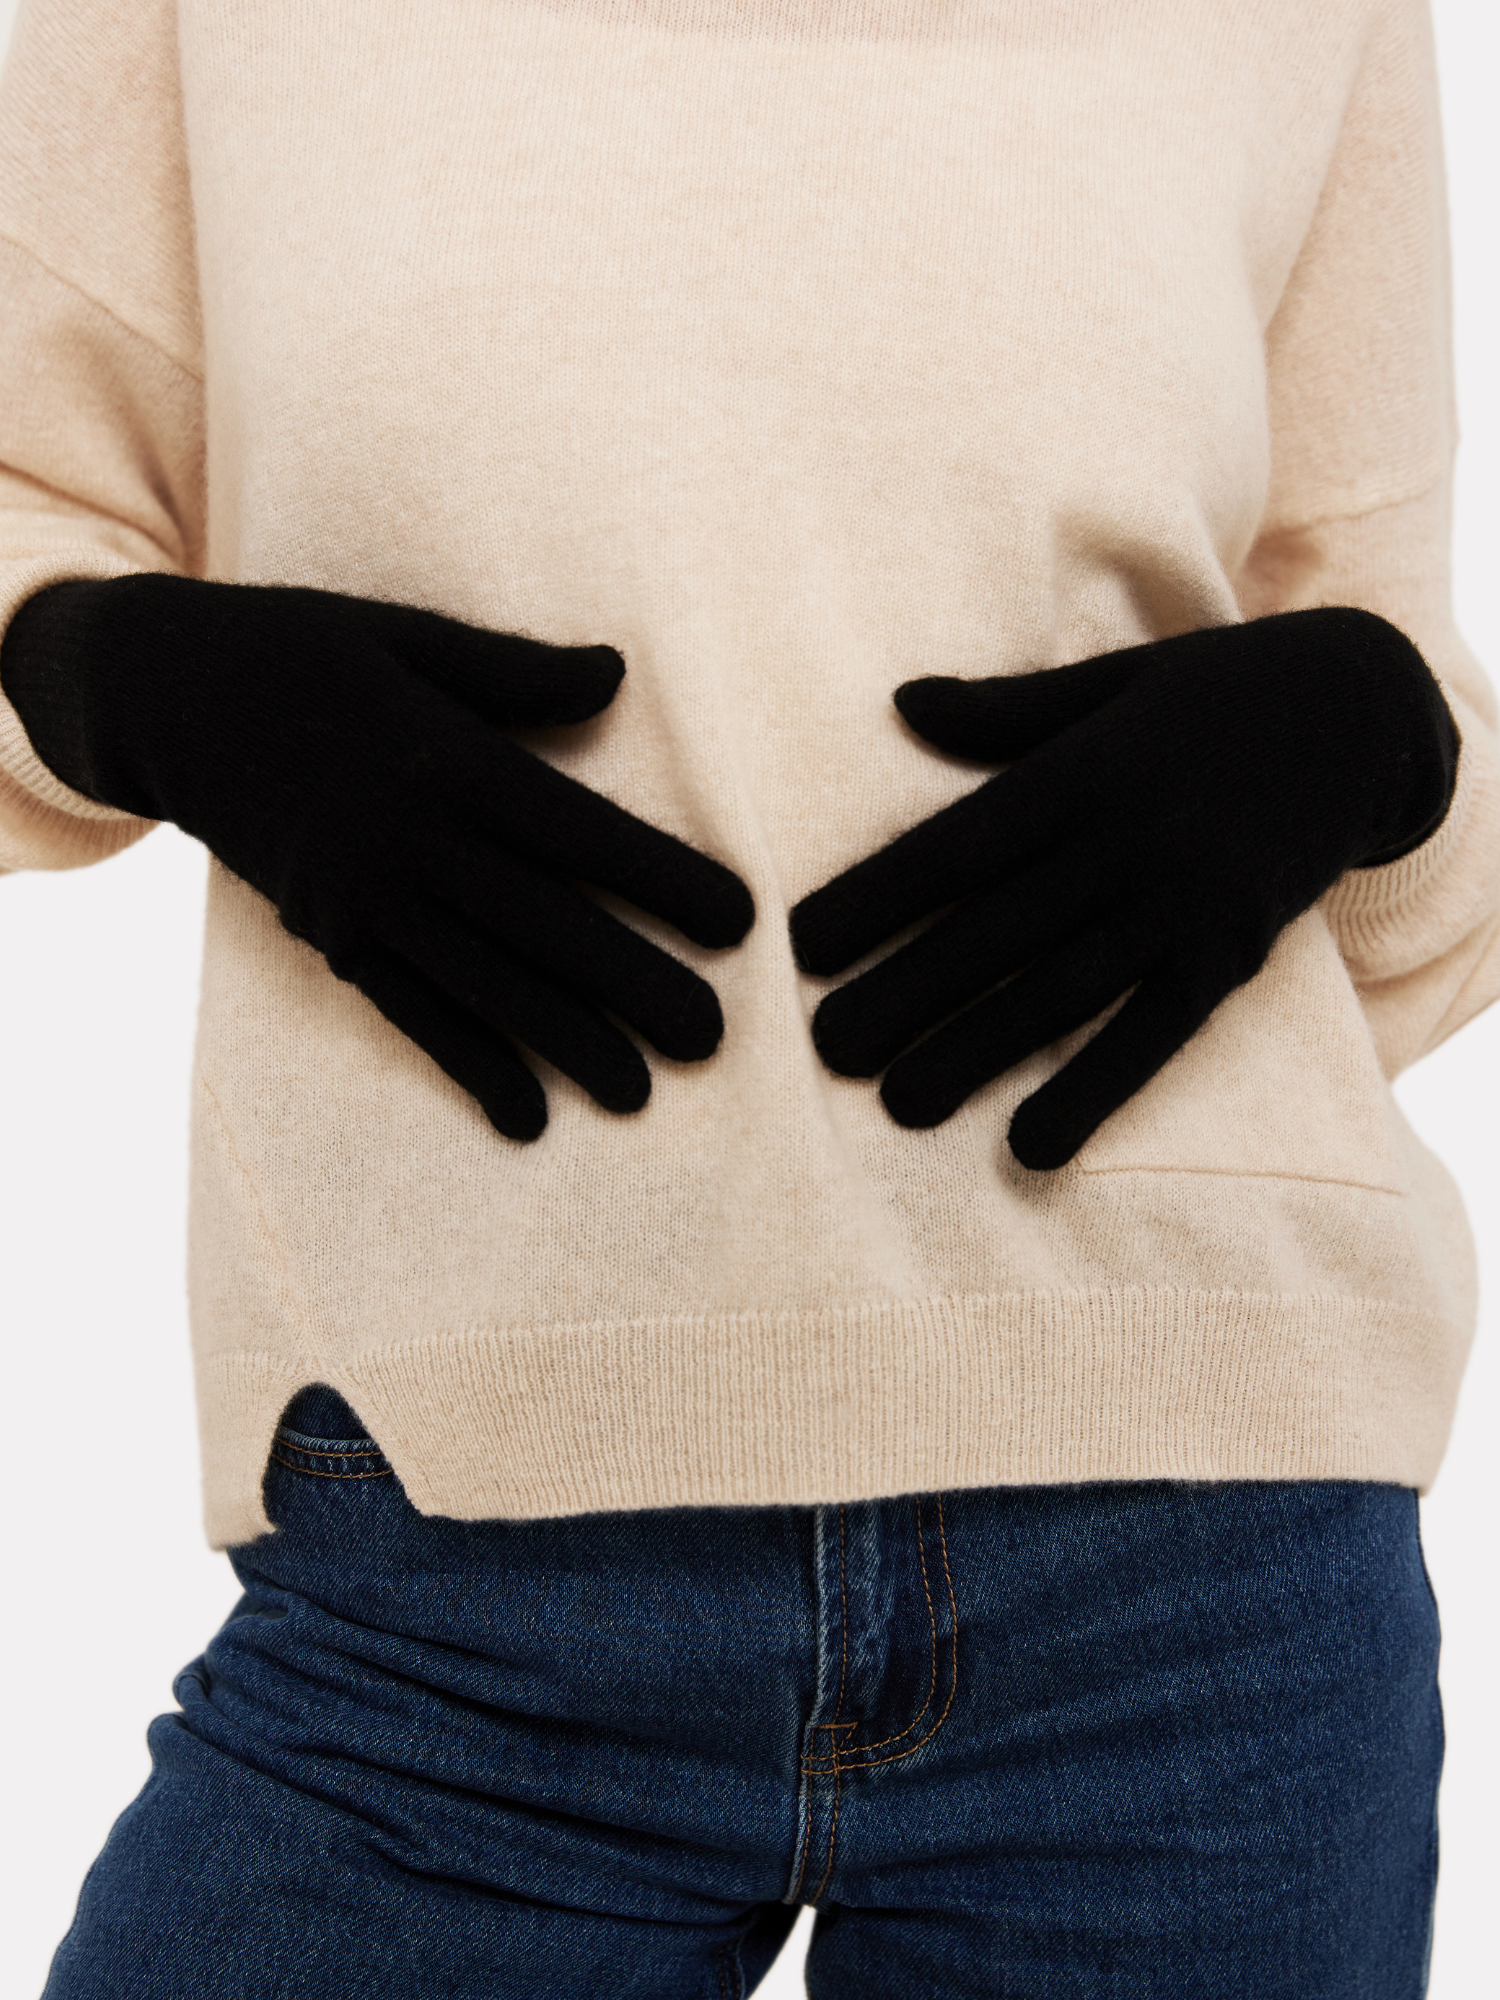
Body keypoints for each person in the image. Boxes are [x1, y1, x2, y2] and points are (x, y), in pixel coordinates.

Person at [1, 0, 1495, 1992]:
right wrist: (130, 676)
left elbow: (1406, 771)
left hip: (1191, 1563)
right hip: (454, 1542)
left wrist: (1379, 732)